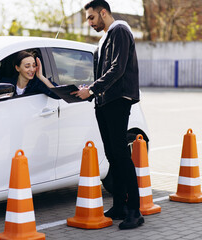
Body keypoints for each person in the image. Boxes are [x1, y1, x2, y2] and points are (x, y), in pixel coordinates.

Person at [71, 0, 143, 230]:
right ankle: (120, 206)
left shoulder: (119, 31)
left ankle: (135, 210)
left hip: (118, 100)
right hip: (104, 101)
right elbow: (105, 71)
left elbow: (118, 68)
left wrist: (91, 89)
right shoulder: (104, 38)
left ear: (104, 12)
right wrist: (90, 90)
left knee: (121, 154)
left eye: (91, 18)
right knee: (112, 154)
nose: (89, 23)